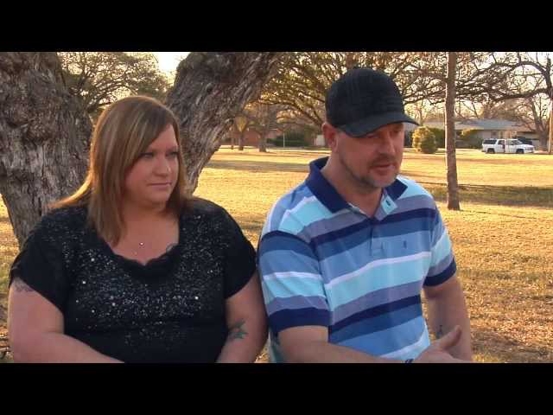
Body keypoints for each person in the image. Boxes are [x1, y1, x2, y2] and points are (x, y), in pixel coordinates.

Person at [8, 95, 267, 363]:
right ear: (112, 157)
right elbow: (32, 340)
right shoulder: (61, 233)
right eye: (147, 155)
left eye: (172, 154)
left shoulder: (211, 225)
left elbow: (248, 319)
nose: (165, 170)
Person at [258, 68, 472, 363]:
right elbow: (306, 351)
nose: (389, 149)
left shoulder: (417, 204)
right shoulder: (291, 227)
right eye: (371, 135)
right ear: (331, 137)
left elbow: (444, 290)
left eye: (396, 131)